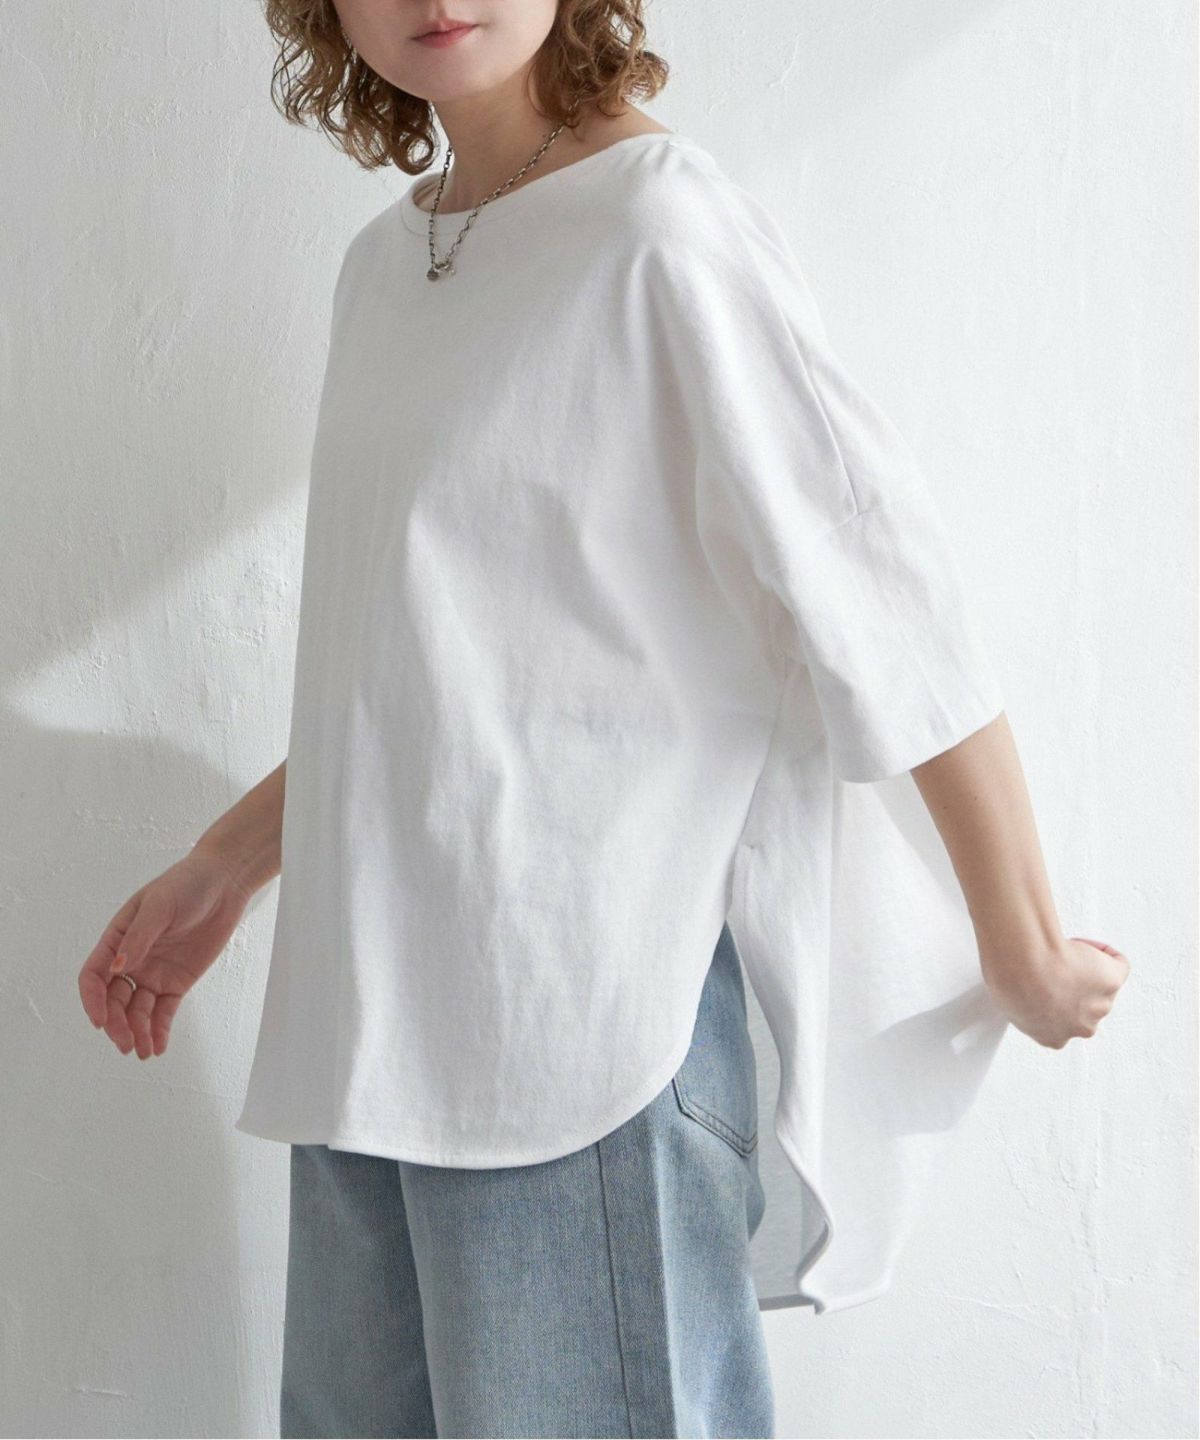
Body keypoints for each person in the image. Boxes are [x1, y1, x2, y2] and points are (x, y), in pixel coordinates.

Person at [77, 2, 1131, 1436]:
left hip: (578, 1026)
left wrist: (1023, 943)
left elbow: (881, 588)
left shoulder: (660, 225)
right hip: (361, 1041)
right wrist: (228, 861)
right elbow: (426, 668)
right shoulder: (384, 266)